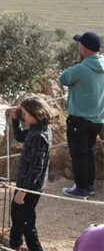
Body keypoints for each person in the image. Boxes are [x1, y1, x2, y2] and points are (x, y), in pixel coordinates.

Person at [59, 31, 104, 198]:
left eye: (79, 45)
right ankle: (89, 186)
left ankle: (80, 188)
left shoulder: (81, 68)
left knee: (78, 154)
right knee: (88, 151)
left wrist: (77, 63)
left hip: (79, 119)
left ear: (83, 49)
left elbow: (64, 79)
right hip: (98, 118)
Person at [9, 96, 54, 251]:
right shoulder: (37, 129)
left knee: (27, 223)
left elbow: (37, 167)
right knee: (16, 214)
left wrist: (23, 191)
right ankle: (15, 245)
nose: (23, 117)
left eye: (25, 115)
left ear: (36, 114)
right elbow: (20, 136)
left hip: (30, 186)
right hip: (26, 183)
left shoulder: (39, 135)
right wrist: (16, 120)